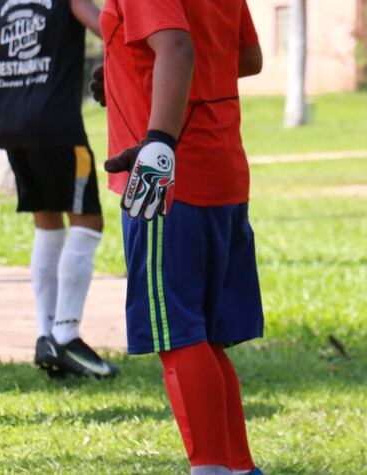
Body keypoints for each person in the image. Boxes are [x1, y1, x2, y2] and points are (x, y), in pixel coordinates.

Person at [95, 0, 265, 473]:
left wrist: (160, 139)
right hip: (221, 167)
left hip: (168, 179)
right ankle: (239, 468)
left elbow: (176, 47)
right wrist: (125, 72)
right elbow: (246, 58)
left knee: (179, 333)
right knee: (203, 335)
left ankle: (210, 467)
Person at [0, 0, 118, 378]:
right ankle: (66, 335)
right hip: (56, 125)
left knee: (47, 222)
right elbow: (108, 27)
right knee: (88, 220)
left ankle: (46, 335)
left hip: (11, 123)